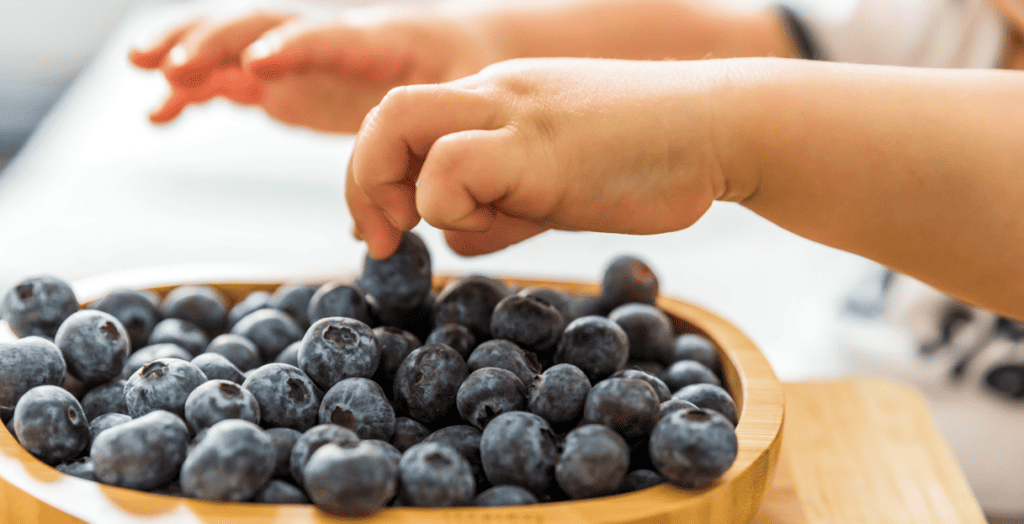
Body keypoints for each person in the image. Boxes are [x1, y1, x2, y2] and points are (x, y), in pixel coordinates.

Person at [130, 1, 1024, 518]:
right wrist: (486, 56)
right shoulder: (966, 22)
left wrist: (724, 130)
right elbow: (766, 45)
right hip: (836, 450)